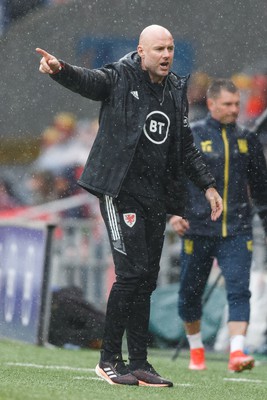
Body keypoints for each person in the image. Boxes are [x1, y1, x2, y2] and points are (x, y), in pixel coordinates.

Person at [36, 24, 222, 387]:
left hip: (155, 195)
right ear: (141, 51)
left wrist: (208, 186)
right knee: (132, 274)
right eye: (159, 49)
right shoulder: (120, 75)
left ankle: (139, 363)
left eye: (170, 48)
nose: (166, 55)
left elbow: (183, 145)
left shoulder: (175, 89)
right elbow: (89, 81)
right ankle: (108, 360)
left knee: (147, 280)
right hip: (118, 189)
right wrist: (61, 70)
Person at [170, 78, 267, 373]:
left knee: (239, 290)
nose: (233, 110)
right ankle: (196, 349)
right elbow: (173, 178)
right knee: (189, 293)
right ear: (211, 104)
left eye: (237, 104)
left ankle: (237, 352)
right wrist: (173, 214)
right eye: (227, 104)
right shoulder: (192, 136)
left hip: (237, 229)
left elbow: (261, 189)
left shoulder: (247, 139)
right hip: (197, 228)